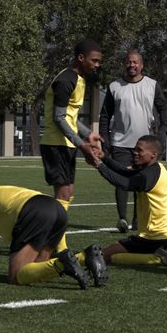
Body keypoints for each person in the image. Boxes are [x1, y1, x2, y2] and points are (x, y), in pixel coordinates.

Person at [0, 171, 108, 289]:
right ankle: (84, 257)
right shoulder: (3, 190)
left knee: (15, 277)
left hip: (34, 212)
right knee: (39, 270)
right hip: (57, 209)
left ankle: (61, 264)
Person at [39, 39, 104, 251]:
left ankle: (54, 241)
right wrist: (82, 144)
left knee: (68, 193)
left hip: (65, 144)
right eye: (94, 61)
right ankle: (58, 245)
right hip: (55, 144)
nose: (97, 65)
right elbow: (59, 118)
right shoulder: (66, 80)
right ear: (81, 58)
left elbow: (71, 117)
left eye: (98, 61)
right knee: (64, 194)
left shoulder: (79, 79)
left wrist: (89, 135)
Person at [88, 135, 167, 267]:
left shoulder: (148, 175)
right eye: (135, 149)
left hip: (158, 238)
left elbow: (124, 183)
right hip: (160, 237)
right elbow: (125, 172)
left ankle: (163, 258)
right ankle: (165, 255)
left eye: (139, 150)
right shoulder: (153, 169)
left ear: (153, 154)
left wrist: (99, 165)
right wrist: (104, 158)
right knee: (109, 252)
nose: (134, 152)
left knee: (106, 255)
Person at [98, 50, 167, 232]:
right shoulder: (114, 86)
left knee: (141, 183)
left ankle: (138, 219)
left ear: (142, 65)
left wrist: (163, 132)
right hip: (120, 142)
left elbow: (164, 110)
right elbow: (105, 115)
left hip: (144, 145)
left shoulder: (152, 85)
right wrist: (104, 137)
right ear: (125, 64)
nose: (132, 65)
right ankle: (122, 219)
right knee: (120, 179)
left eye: (135, 62)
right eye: (129, 62)